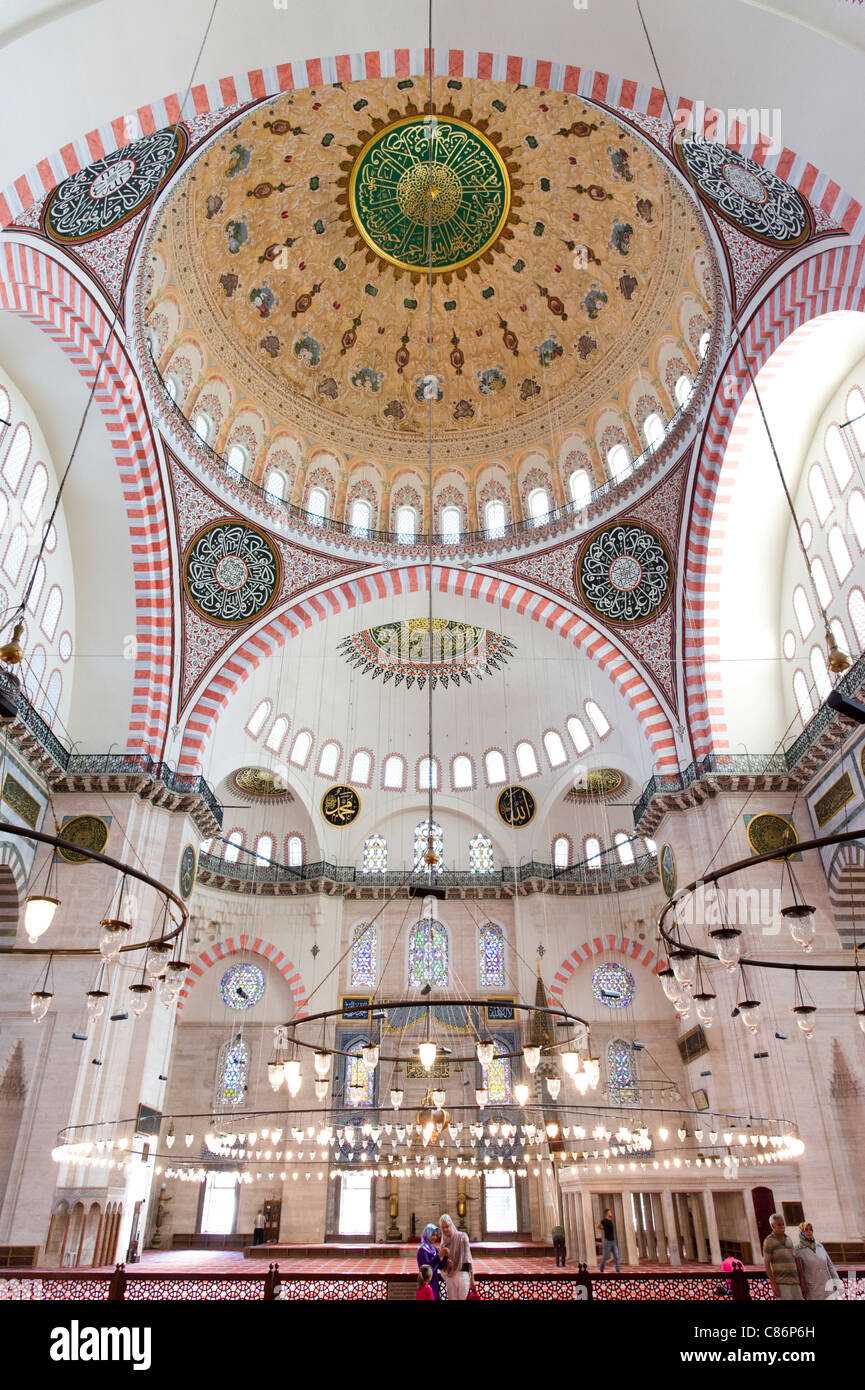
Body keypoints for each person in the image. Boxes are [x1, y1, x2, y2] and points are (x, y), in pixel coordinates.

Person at [763, 1213, 805, 1300]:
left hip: (795, 1282)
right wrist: (773, 1284)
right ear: (772, 1226)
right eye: (779, 1224)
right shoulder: (769, 1241)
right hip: (782, 1284)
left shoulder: (788, 1239)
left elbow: (795, 1259)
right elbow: (766, 1263)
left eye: (783, 1224)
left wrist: (801, 1280)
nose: (782, 1226)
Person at [795, 1221, 841, 1300]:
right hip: (812, 1289)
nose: (809, 1232)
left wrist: (836, 1281)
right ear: (801, 1232)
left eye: (811, 1229)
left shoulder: (819, 1246)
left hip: (827, 1286)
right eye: (806, 1230)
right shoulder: (797, 1249)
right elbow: (799, 1271)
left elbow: (830, 1265)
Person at [439, 1213, 476, 1301]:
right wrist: (446, 1263)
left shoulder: (462, 1236)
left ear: (451, 1225)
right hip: (450, 1276)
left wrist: (472, 1279)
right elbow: (441, 1264)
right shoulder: (443, 1243)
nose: (445, 1229)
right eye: (443, 1227)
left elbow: (468, 1258)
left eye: (447, 1226)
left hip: (462, 1274)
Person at [417, 1223, 443, 1300]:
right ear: (427, 1235)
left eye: (436, 1235)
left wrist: (445, 1257)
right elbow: (427, 1266)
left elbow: (440, 1266)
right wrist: (439, 1256)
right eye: (432, 1235)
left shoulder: (433, 1249)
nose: (434, 1237)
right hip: (426, 1283)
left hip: (434, 1282)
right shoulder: (422, 1249)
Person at [597, 1209, 621, 1273]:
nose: (611, 1213)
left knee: (616, 1256)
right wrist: (603, 1228)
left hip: (613, 1241)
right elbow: (598, 1226)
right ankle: (601, 1269)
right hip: (607, 1241)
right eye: (610, 1212)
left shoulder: (610, 1221)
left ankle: (618, 1271)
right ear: (607, 1213)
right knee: (605, 1257)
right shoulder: (604, 1221)